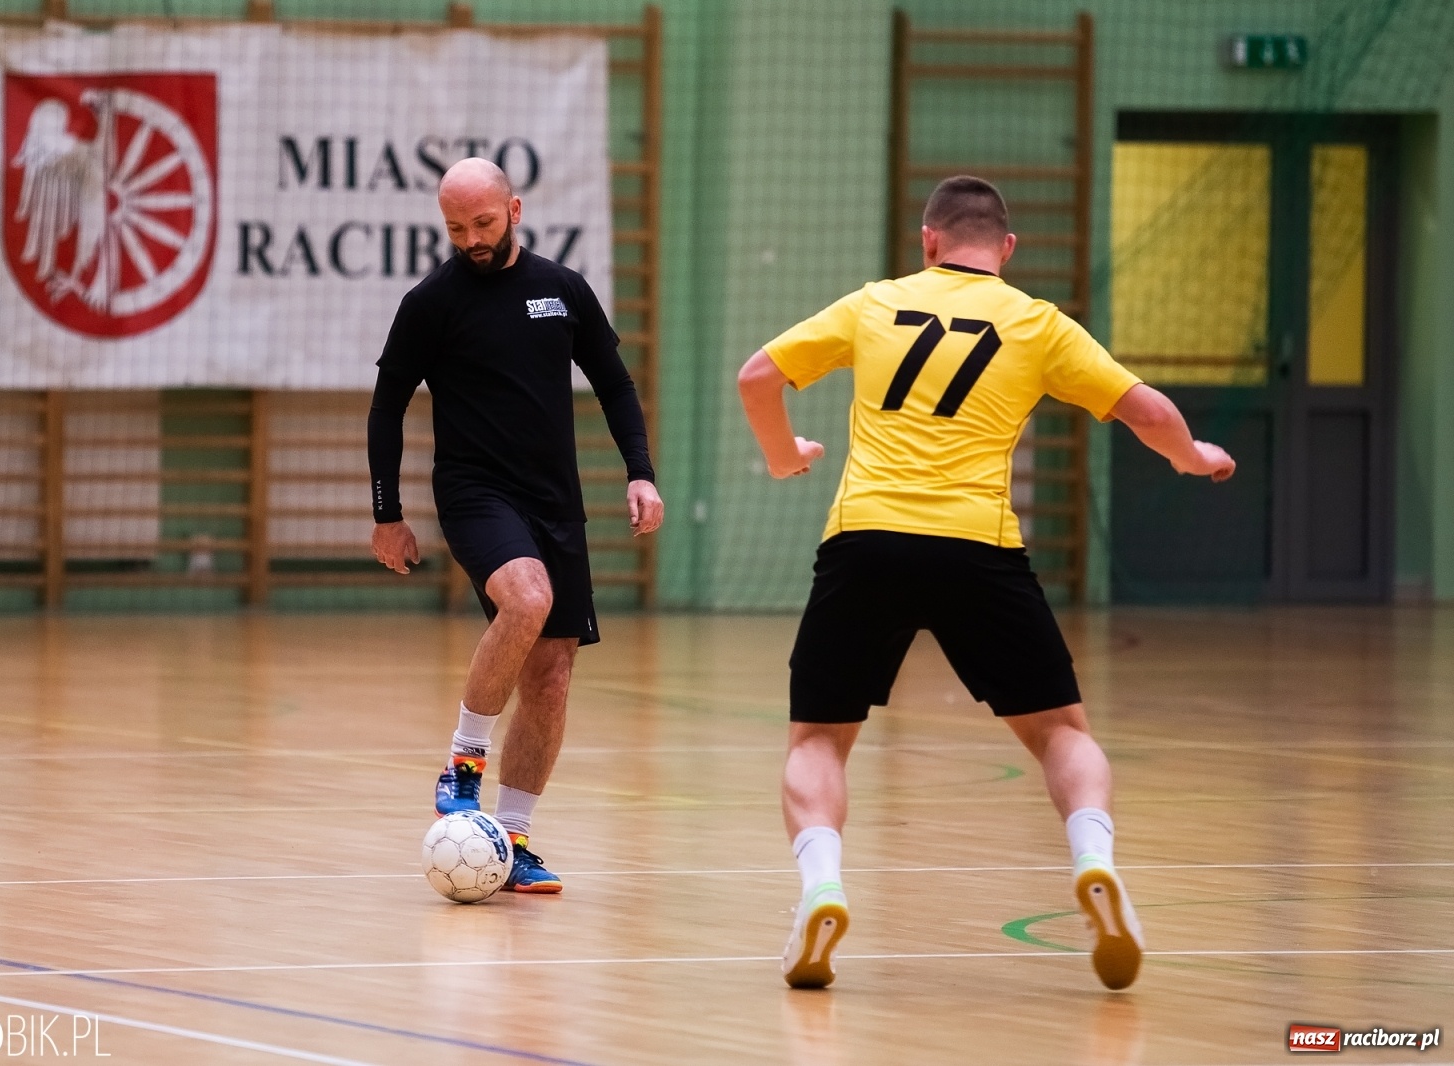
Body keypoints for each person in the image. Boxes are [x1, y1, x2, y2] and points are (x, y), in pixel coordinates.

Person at [736, 175, 1234, 990]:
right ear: (1005, 249)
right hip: (979, 549)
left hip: (866, 540)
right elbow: (1145, 410)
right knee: (1061, 732)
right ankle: (1093, 861)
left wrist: (784, 456)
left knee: (820, 740)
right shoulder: (1037, 323)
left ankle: (822, 888)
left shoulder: (875, 303)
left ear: (927, 240)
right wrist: (1194, 456)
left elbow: (759, 374)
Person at [369, 157, 663, 893]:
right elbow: (387, 404)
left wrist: (640, 470)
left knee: (553, 677)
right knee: (525, 599)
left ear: (516, 210)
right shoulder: (431, 303)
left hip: (555, 501)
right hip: (474, 492)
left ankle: (512, 841)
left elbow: (615, 383)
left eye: (483, 223)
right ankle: (463, 762)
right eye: (455, 227)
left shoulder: (561, 292)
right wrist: (388, 515)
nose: (470, 239)